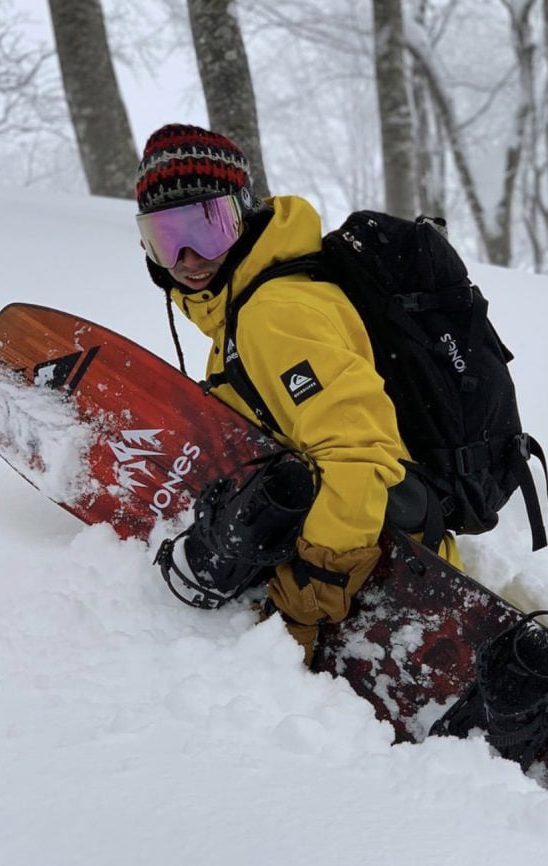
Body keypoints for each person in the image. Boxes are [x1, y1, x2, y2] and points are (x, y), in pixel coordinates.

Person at [135, 123, 460, 664]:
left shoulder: (274, 314)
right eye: (167, 237)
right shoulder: (243, 311)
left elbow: (359, 457)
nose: (189, 257)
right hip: (370, 545)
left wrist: (305, 603)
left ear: (243, 214)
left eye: (205, 227)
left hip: (378, 563)